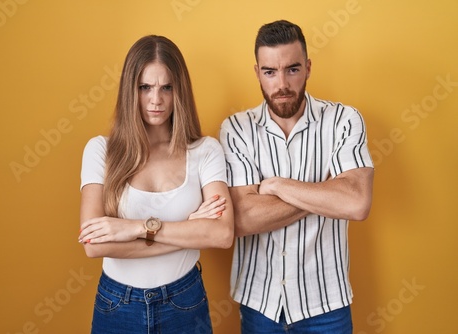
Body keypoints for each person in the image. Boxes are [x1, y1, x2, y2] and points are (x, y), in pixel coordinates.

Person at [219, 20, 374, 333]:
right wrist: (329, 193)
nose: (282, 84)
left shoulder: (344, 120)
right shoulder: (236, 129)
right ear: (257, 72)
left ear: (308, 67)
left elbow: (357, 204)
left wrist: (277, 186)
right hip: (260, 304)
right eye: (270, 72)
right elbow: (243, 219)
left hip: (326, 305)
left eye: (292, 69)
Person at [78, 35, 234, 334]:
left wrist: (135, 228)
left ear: (180, 91)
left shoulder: (205, 150)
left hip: (185, 302)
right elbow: (94, 245)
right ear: (130, 90)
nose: (156, 100)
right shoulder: (100, 151)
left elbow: (223, 233)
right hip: (118, 304)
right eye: (145, 87)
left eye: (167, 87)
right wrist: (188, 231)